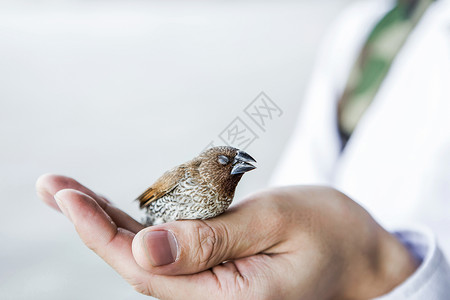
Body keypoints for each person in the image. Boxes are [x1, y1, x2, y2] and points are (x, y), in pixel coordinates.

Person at [37, 0, 450, 298]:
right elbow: (301, 195)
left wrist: (378, 271)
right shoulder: (373, 32)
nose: (236, 165)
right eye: (227, 160)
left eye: (236, 161)